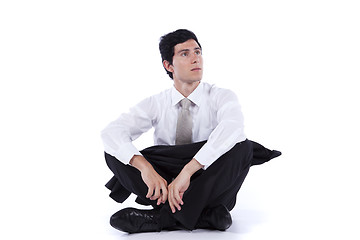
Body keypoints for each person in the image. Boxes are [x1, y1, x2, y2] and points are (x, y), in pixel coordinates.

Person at [101, 29, 280, 233]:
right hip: (166, 185)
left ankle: (161, 219)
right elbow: (111, 132)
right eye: (185, 54)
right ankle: (205, 216)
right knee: (114, 152)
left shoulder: (221, 96)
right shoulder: (156, 103)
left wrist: (189, 170)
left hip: (207, 178)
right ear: (168, 65)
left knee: (243, 147)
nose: (196, 58)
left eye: (198, 52)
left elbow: (233, 127)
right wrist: (146, 169)